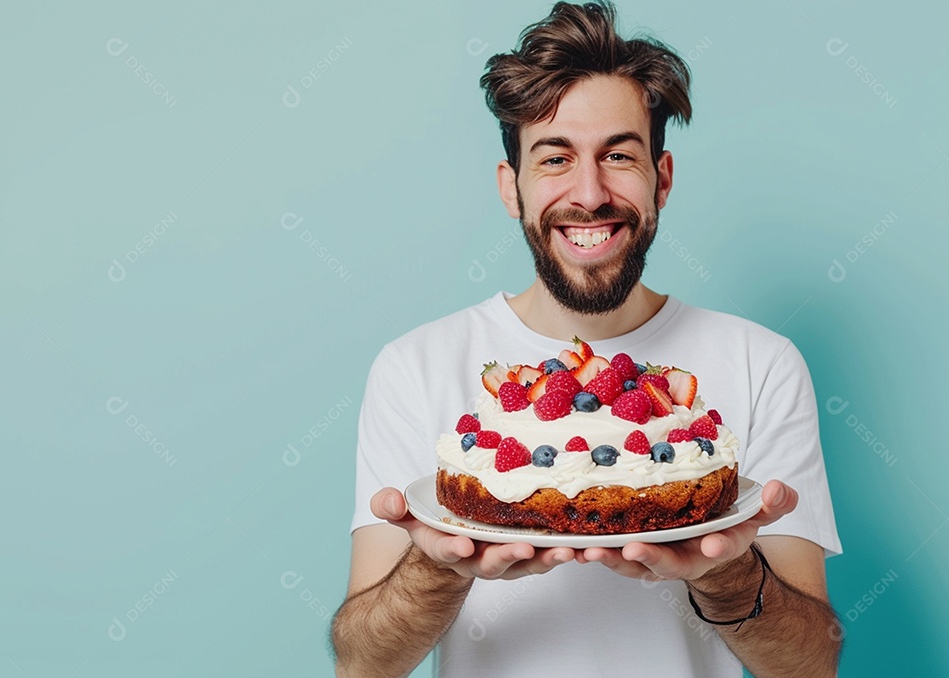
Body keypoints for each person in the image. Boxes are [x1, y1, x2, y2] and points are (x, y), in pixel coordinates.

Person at [330, 3, 842, 676]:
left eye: (619, 155)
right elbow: (361, 665)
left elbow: (812, 666)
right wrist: (437, 568)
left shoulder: (762, 363)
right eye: (555, 158)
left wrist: (725, 577)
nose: (591, 193)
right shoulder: (413, 367)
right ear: (511, 188)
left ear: (662, 179)